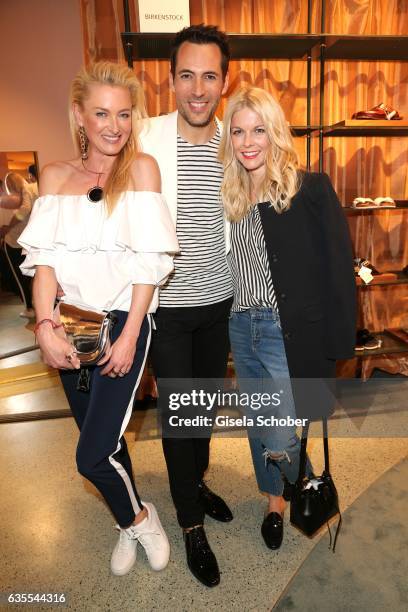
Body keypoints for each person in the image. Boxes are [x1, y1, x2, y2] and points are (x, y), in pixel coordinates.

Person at [18, 61, 179, 577]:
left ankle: (141, 518)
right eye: (102, 113)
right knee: (103, 441)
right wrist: (45, 327)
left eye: (125, 114)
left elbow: (150, 264)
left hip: (124, 321)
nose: (114, 126)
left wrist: (131, 335)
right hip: (70, 326)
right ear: (79, 117)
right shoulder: (56, 176)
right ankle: (126, 521)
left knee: (91, 455)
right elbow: (44, 267)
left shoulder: (143, 169)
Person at [218, 86, 356, 550]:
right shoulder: (231, 194)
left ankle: (305, 483)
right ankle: (276, 500)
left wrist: (339, 345)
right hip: (242, 326)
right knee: (261, 423)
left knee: (278, 428)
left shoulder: (309, 187)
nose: (247, 141)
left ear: (275, 132)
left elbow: (339, 267)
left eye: (258, 129)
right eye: (238, 131)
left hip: (284, 331)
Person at [139, 24, 233, 587]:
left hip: (220, 304)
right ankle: (190, 523)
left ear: (225, 80)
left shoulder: (235, 139)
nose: (198, 89)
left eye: (210, 76)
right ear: (171, 79)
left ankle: (196, 480)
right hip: (168, 305)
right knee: (178, 418)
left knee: (203, 410)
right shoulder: (145, 137)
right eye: (186, 75)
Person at [0, 172, 38, 317]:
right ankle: (32, 306)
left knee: (20, 277)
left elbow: (24, 210)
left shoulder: (27, 190)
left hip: (16, 242)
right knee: (30, 276)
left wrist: (8, 227)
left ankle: (30, 308)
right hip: (26, 241)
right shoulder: (35, 188)